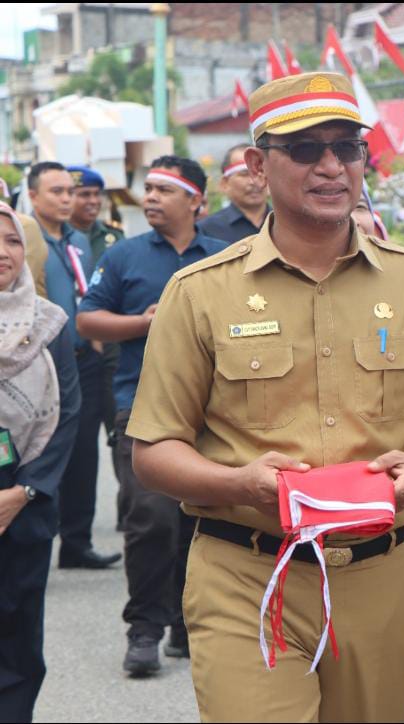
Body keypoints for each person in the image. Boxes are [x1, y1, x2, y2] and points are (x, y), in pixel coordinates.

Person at [126, 72, 404, 720]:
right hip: (246, 575)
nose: (330, 166)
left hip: (381, 576)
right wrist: (239, 483)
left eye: (346, 148)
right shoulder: (200, 292)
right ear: (257, 164)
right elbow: (153, 451)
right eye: (305, 149)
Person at [77, 155, 228, 677]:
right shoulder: (124, 255)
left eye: (164, 190)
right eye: (149, 189)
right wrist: (144, 324)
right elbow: (87, 319)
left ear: (196, 201)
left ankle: (188, 625)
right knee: (150, 520)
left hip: (214, 414)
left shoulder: (225, 258)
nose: (150, 198)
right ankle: (144, 629)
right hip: (141, 407)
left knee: (202, 519)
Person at [0, 202, 81, 721]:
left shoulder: (49, 324)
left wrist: (23, 492)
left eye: (12, 240)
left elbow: (67, 412)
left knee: (16, 635)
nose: (3, 252)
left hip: (23, 499)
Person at [28, 162, 119, 570]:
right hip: (39, 360)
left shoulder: (78, 241)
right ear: (33, 196)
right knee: (41, 449)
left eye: (70, 191)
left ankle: (77, 542)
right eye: (57, 192)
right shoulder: (24, 238)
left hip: (84, 359)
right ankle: (34, 538)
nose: (67, 199)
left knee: (84, 451)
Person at [67, 165, 126, 463]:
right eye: (84, 195)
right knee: (81, 439)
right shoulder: (59, 239)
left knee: (121, 429)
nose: (92, 201)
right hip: (76, 350)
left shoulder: (114, 237)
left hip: (112, 346)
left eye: (96, 194)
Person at [197, 144, 270, 243]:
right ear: (225, 183)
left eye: (260, 172)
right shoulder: (206, 230)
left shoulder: (286, 223)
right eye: (244, 174)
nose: (254, 181)